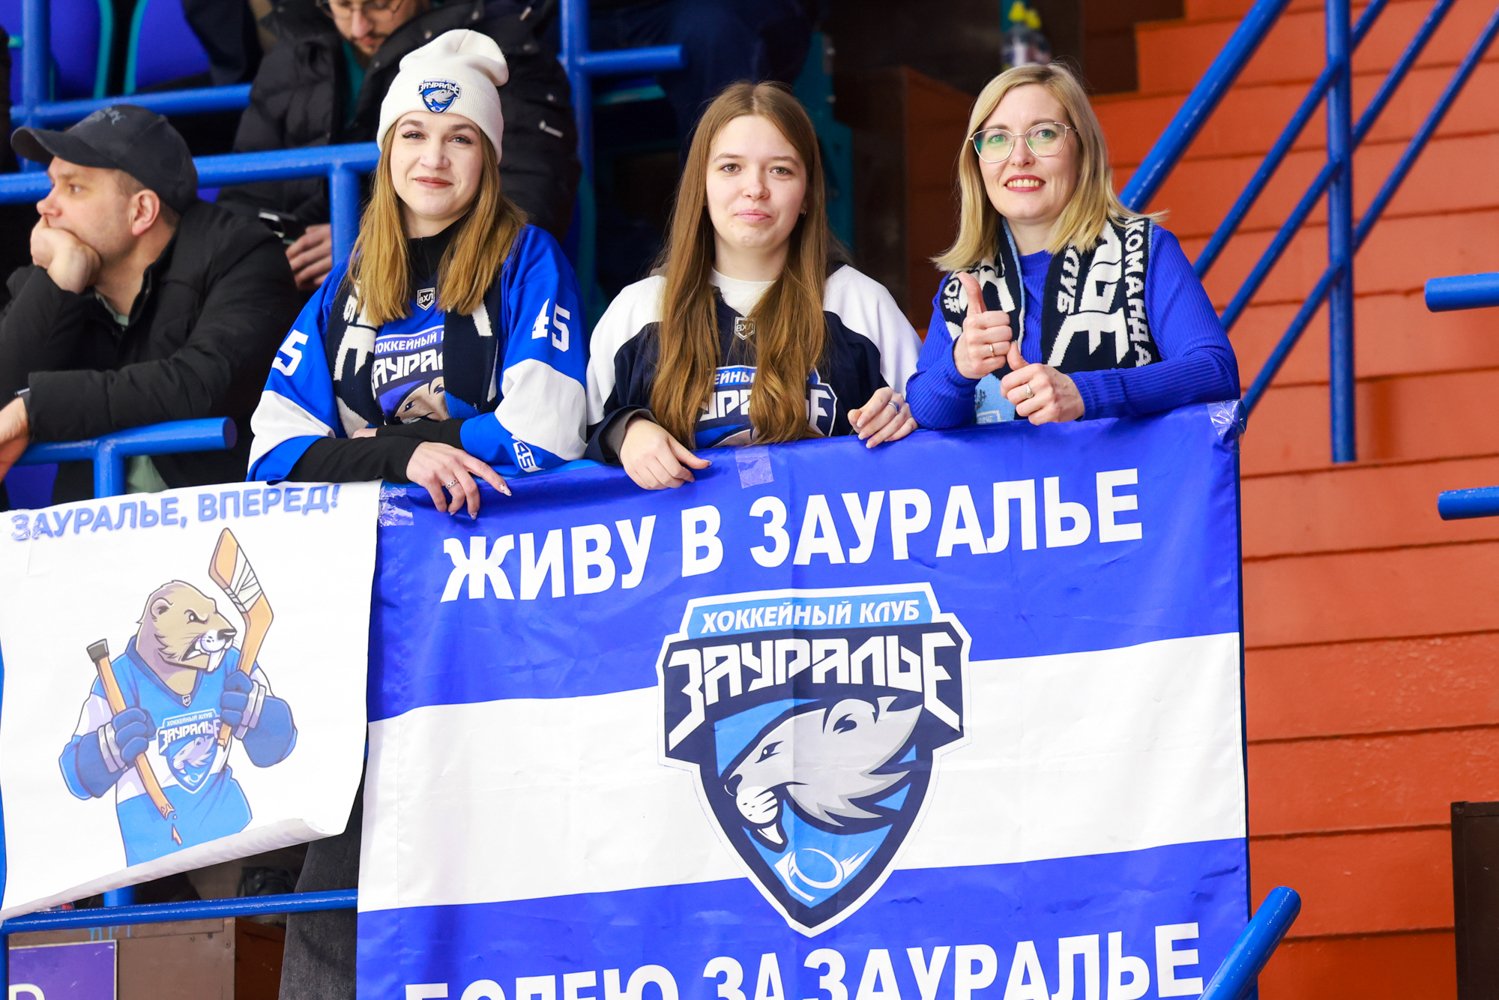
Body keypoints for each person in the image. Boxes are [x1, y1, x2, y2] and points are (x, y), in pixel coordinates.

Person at [248, 28, 587, 514]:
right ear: (388, 151)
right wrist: (401, 456)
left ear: (488, 159)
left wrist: (412, 442)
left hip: (502, 533)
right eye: (413, 134)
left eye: (460, 138)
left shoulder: (527, 260)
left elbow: (548, 433)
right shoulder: (347, 284)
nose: (434, 158)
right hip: (378, 547)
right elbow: (273, 453)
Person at [586, 81, 920, 491]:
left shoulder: (861, 305)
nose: (755, 189)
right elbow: (574, 446)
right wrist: (625, 431)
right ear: (700, 186)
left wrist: (907, 416)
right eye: (731, 167)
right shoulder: (638, 311)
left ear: (808, 194)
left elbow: (935, 440)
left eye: (780, 170)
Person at [905, 63, 1238, 428]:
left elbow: (1215, 369)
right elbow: (923, 409)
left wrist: (1086, 393)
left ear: (1083, 151)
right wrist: (958, 366)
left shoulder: (1142, 251)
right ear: (977, 163)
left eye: (1044, 133)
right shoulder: (964, 287)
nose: (1019, 157)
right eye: (997, 138)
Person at [0, 105, 299, 504]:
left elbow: (202, 383)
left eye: (73, 188)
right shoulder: (57, 277)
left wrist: (39, 406)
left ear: (141, 211)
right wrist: (61, 278)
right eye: (51, 185)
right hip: (90, 531)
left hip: (224, 524)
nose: (45, 206)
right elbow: (3, 397)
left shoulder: (242, 255)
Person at [219, 0, 578, 292]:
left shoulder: (498, 47)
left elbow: (530, 195)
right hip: (296, 290)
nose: (359, 27)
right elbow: (244, 199)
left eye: (379, 4)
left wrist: (368, 241)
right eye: (341, 5)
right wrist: (268, 259)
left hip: (444, 282)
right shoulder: (291, 54)